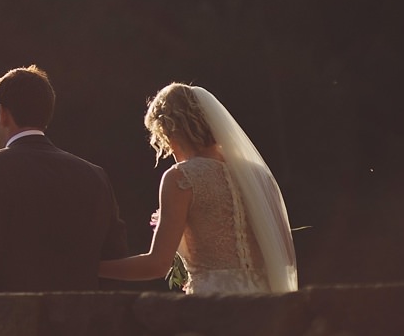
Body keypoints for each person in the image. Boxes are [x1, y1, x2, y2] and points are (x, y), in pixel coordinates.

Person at [98, 83, 298, 294]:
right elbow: (284, 254)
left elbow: (157, 265)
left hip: (213, 300)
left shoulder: (181, 178)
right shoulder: (259, 176)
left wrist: (95, 268)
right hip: (265, 301)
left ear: (169, 132)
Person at [0, 65, 128, 292]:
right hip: (80, 322)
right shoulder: (94, 175)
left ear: (2, 114)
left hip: (9, 320)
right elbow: (115, 262)